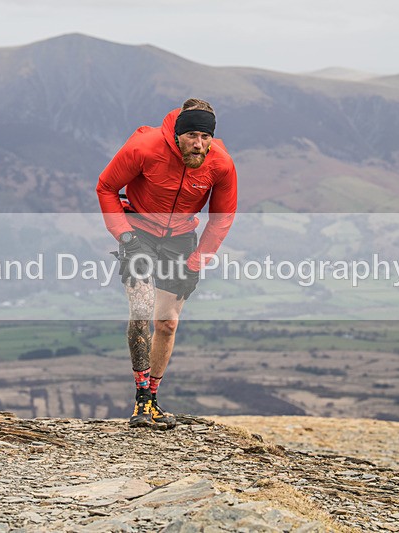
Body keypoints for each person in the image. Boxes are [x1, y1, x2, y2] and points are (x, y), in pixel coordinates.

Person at [96, 98, 238, 429]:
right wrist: (124, 236)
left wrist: (198, 258)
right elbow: (106, 188)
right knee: (143, 309)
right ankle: (141, 400)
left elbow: (222, 218)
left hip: (181, 238)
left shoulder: (221, 164)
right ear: (177, 133)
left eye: (205, 138)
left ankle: (154, 399)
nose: (199, 144)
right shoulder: (144, 147)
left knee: (168, 322)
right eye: (191, 136)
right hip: (139, 232)